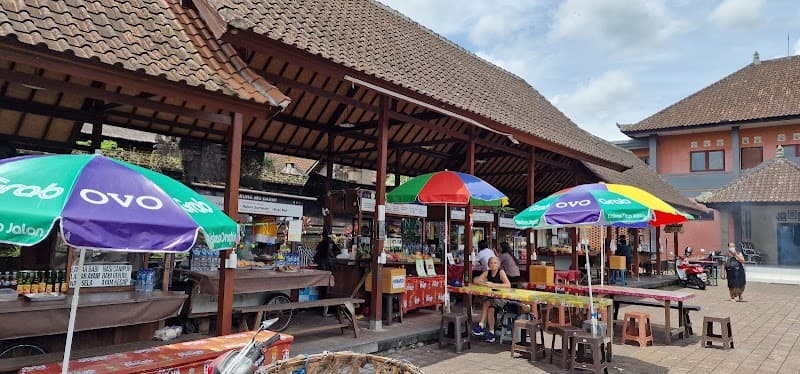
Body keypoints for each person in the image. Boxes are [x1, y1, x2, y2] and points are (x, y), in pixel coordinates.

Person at [471, 256, 511, 342]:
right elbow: (476, 281)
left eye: (495, 263)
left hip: (502, 299)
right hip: (492, 299)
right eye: (491, 263)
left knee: (487, 302)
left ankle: (481, 325)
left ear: (498, 264)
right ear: (488, 264)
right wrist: (484, 283)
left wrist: (493, 284)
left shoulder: (501, 272)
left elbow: (508, 285)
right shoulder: (487, 272)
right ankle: (491, 333)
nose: (493, 265)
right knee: (490, 308)